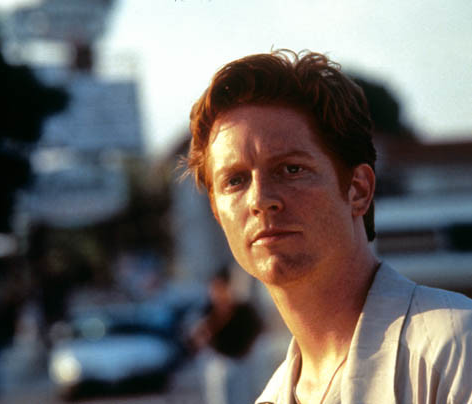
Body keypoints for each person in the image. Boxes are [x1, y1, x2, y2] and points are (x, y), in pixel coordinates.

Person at [184, 49, 472, 403]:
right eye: (235, 181)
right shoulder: (272, 397)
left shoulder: (454, 349)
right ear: (217, 212)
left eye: (291, 169)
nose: (260, 199)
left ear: (358, 190)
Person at [189, 265, 263, 404]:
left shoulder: (242, 310)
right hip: (217, 363)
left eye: (220, 288)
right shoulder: (207, 311)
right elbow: (195, 338)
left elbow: (256, 329)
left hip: (241, 362)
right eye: (214, 288)